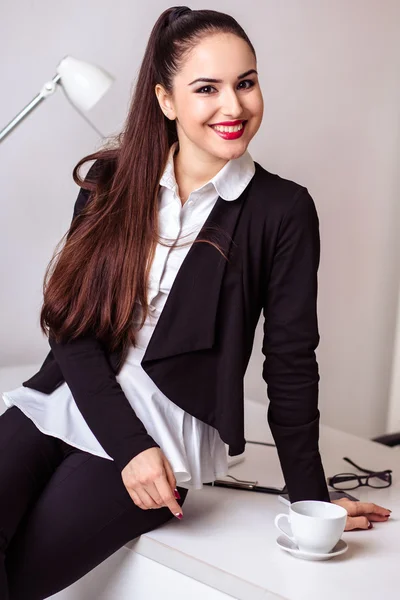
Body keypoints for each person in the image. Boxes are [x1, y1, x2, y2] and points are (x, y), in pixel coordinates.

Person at [0, 5, 391, 599]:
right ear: (165, 100)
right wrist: (125, 444)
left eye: (246, 82)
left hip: (164, 430)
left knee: (22, 573)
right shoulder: (111, 183)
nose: (233, 107)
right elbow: (71, 326)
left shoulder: (281, 211)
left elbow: (290, 361)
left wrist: (309, 496)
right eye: (206, 88)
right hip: (68, 394)